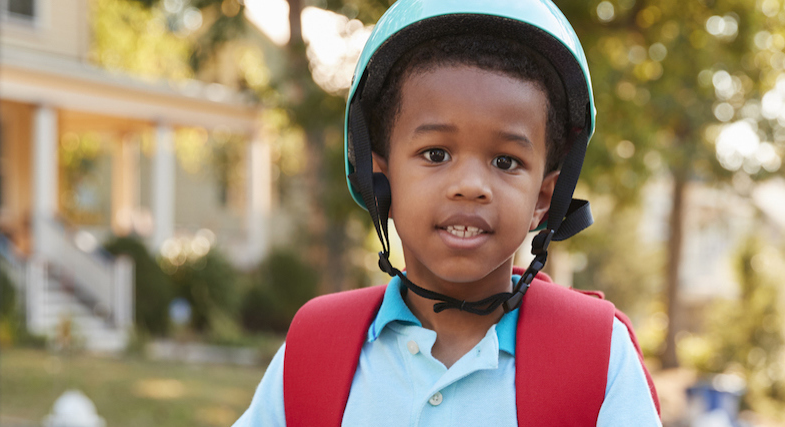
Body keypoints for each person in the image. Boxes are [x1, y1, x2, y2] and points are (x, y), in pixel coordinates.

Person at [233, 1, 661, 425]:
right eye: (436, 153)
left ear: (543, 201)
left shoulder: (597, 356)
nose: (470, 186)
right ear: (381, 183)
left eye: (506, 161)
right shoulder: (315, 350)